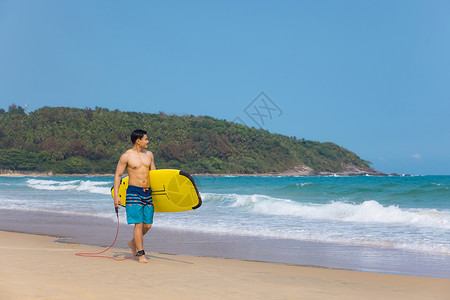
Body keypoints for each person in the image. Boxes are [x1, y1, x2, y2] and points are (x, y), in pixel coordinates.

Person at [113, 129, 156, 263]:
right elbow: (118, 176)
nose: (147, 141)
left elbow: (155, 174)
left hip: (148, 192)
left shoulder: (149, 155)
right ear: (138, 141)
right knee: (138, 224)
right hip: (133, 192)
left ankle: (133, 243)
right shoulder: (126, 156)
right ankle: (141, 253)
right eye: (145, 139)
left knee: (147, 225)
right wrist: (116, 196)